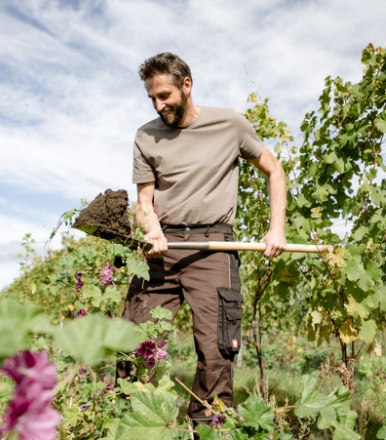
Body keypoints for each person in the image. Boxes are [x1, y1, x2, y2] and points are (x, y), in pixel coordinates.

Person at [118, 52, 287, 424]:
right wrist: (152, 229)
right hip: (163, 249)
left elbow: (274, 170)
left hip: (215, 247)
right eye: (152, 99)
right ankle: (128, 424)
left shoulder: (230, 125)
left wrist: (277, 227)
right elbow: (144, 199)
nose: (159, 105)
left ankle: (207, 429)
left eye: (165, 95)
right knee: (133, 346)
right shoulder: (146, 136)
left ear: (186, 85)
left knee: (217, 352)